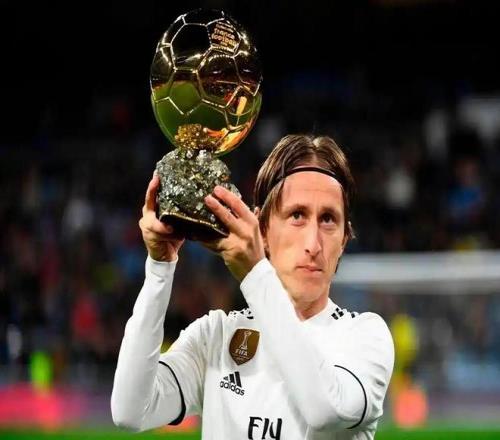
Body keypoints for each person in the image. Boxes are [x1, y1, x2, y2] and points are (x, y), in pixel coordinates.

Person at [111, 134, 394, 439]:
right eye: (297, 215)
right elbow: (130, 411)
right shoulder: (216, 337)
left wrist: (255, 272)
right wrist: (159, 269)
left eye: (328, 219)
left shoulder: (364, 337)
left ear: (344, 239)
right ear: (262, 228)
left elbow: (325, 410)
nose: (313, 244)